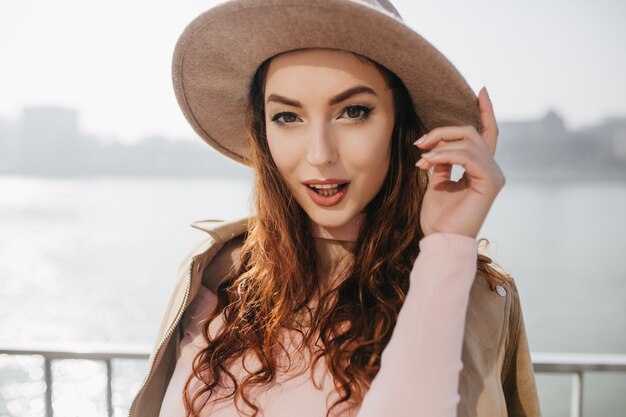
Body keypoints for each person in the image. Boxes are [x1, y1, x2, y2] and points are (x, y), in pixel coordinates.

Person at [129, 1, 542, 416]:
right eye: (288, 116)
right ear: (263, 129)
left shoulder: (470, 291)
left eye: (354, 112)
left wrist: (447, 245)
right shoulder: (215, 270)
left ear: (400, 124)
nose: (320, 154)